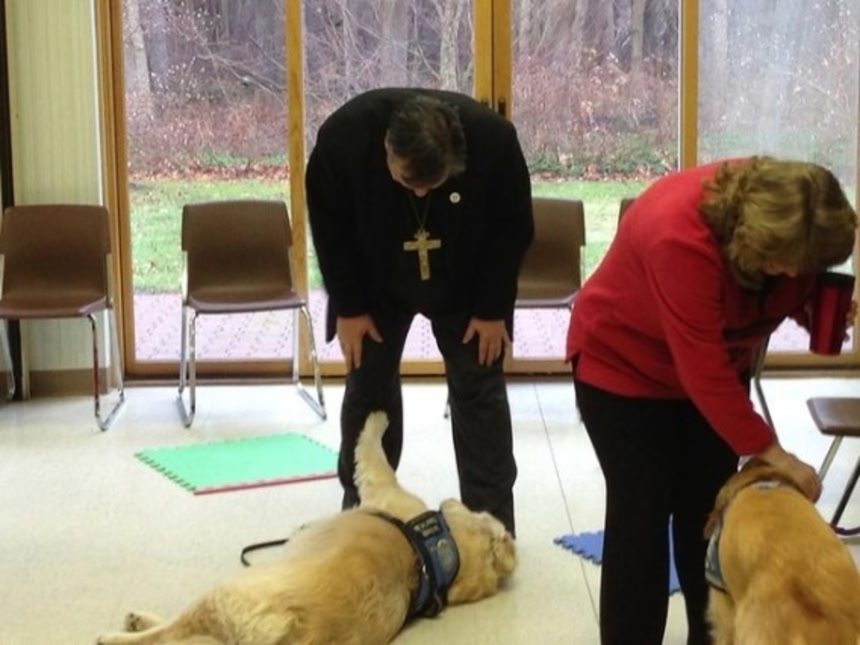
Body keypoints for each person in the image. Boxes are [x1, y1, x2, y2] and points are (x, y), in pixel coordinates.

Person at [566, 156, 858, 644]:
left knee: (706, 519)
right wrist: (775, 454)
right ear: (750, 240)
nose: (793, 272)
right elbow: (703, 369)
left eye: (804, 267)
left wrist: (813, 309)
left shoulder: (800, 215)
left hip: (714, 369)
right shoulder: (677, 236)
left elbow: (772, 293)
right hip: (623, 369)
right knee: (640, 521)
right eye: (785, 263)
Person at [305, 88, 534, 535]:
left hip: (467, 279)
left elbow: (513, 230)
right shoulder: (343, 140)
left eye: (434, 183)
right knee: (369, 387)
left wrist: (492, 310)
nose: (423, 191)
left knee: (479, 388)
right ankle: (365, 520)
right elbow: (329, 230)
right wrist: (349, 307)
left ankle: (490, 528)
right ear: (388, 149)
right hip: (373, 279)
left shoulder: (494, 142)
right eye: (411, 182)